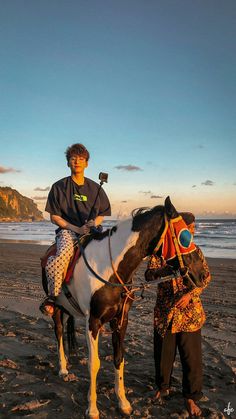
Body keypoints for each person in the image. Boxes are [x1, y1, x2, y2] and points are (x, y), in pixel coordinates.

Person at [145, 216, 211, 417]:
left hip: (189, 313)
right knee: (163, 355)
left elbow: (206, 277)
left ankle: (191, 397)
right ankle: (163, 387)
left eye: (192, 228)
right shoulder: (161, 253)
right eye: (187, 228)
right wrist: (167, 269)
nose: (191, 231)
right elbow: (149, 275)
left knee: (191, 359)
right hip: (165, 312)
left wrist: (190, 294)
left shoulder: (195, 251)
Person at [40, 143, 111, 316]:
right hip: (68, 231)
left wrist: (93, 222)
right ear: (68, 163)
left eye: (81, 159)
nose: (77, 162)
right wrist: (76, 229)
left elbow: (103, 213)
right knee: (60, 257)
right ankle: (53, 297)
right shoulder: (59, 187)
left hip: (92, 230)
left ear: (86, 163)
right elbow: (54, 217)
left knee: (112, 255)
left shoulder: (96, 187)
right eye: (73, 159)